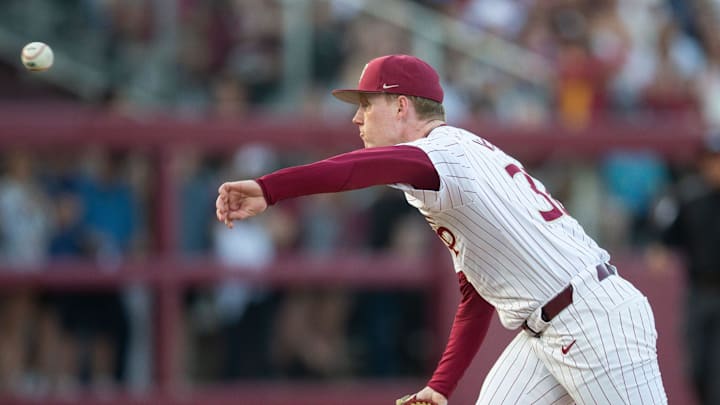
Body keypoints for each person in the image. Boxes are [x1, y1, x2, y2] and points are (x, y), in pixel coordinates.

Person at [215, 54, 667, 404]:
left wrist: (270, 188)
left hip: (590, 319)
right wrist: (442, 385)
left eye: (365, 106)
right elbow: (475, 296)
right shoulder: (456, 162)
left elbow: (354, 171)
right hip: (548, 328)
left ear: (401, 106)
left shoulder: (442, 154)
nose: (356, 119)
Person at [650, 134, 720, 405]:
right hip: (699, 292)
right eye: (712, 161)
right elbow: (666, 236)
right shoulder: (689, 198)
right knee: (697, 367)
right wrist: (659, 248)